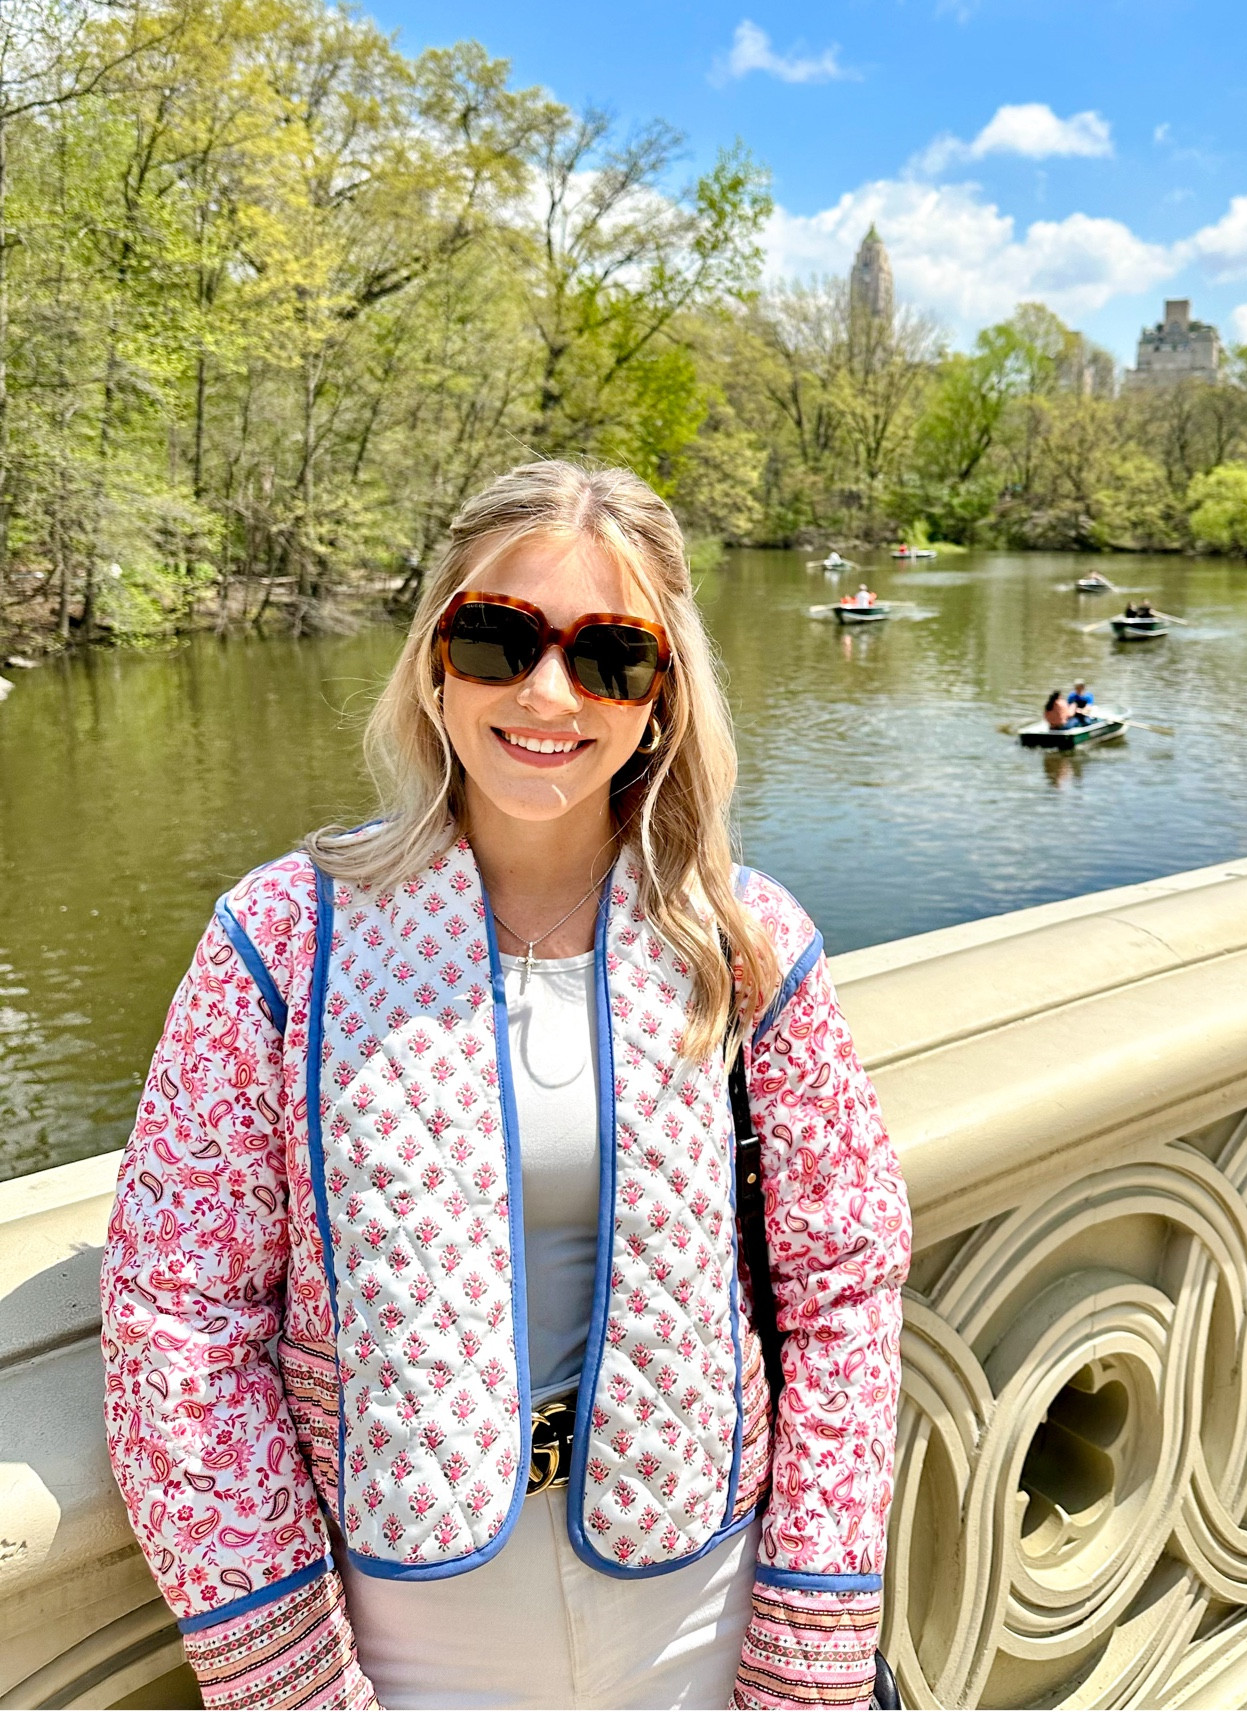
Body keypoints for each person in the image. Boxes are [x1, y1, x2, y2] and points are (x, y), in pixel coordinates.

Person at [102, 459, 911, 1712]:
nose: (549, 693)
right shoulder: (281, 939)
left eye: (610, 656)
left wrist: (810, 1643)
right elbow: (180, 1314)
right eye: (496, 637)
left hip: (706, 1595)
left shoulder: (747, 942)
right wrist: (285, 1675)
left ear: (663, 696)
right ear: (434, 662)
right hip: (406, 1627)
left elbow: (844, 1288)